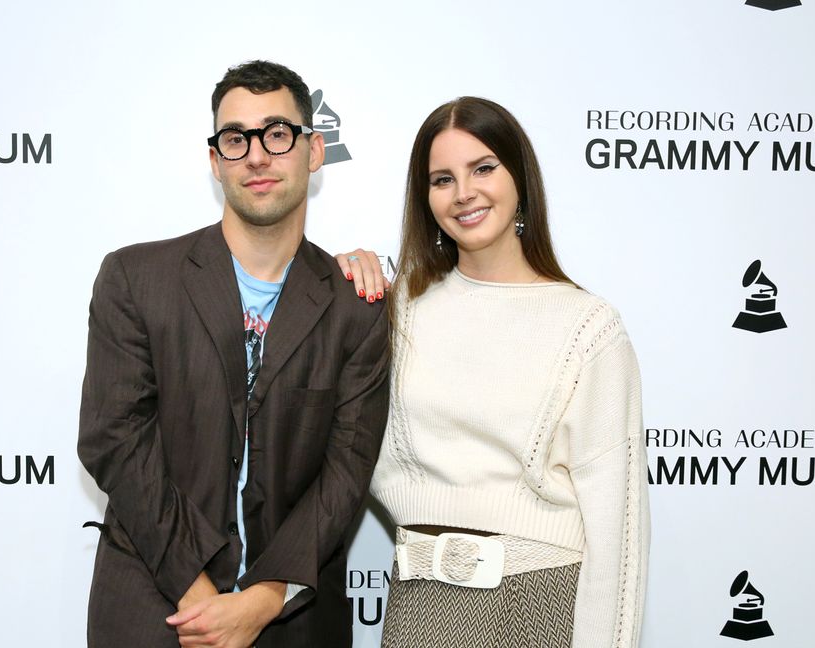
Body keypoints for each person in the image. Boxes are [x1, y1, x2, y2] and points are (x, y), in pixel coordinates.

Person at [78, 60, 389, 648]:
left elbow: (346, 472)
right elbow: (113, 439)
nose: (256, 155)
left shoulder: (357, 306)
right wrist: (201, 597)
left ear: (314, 152)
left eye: (277, 134)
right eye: (235, 138)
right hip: (153, 607)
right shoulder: (136, 279)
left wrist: (262, 601)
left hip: (292, 618)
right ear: (216, 160)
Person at [337, 97, 650, 647]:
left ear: (520, 179)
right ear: (425, 197)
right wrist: (332, 287)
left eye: (483, 168)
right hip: (418, 603)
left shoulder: (587, 327)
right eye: (442, 179)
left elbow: (619, 531)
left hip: (538, 603)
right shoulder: (396, 311)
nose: (464, 193)